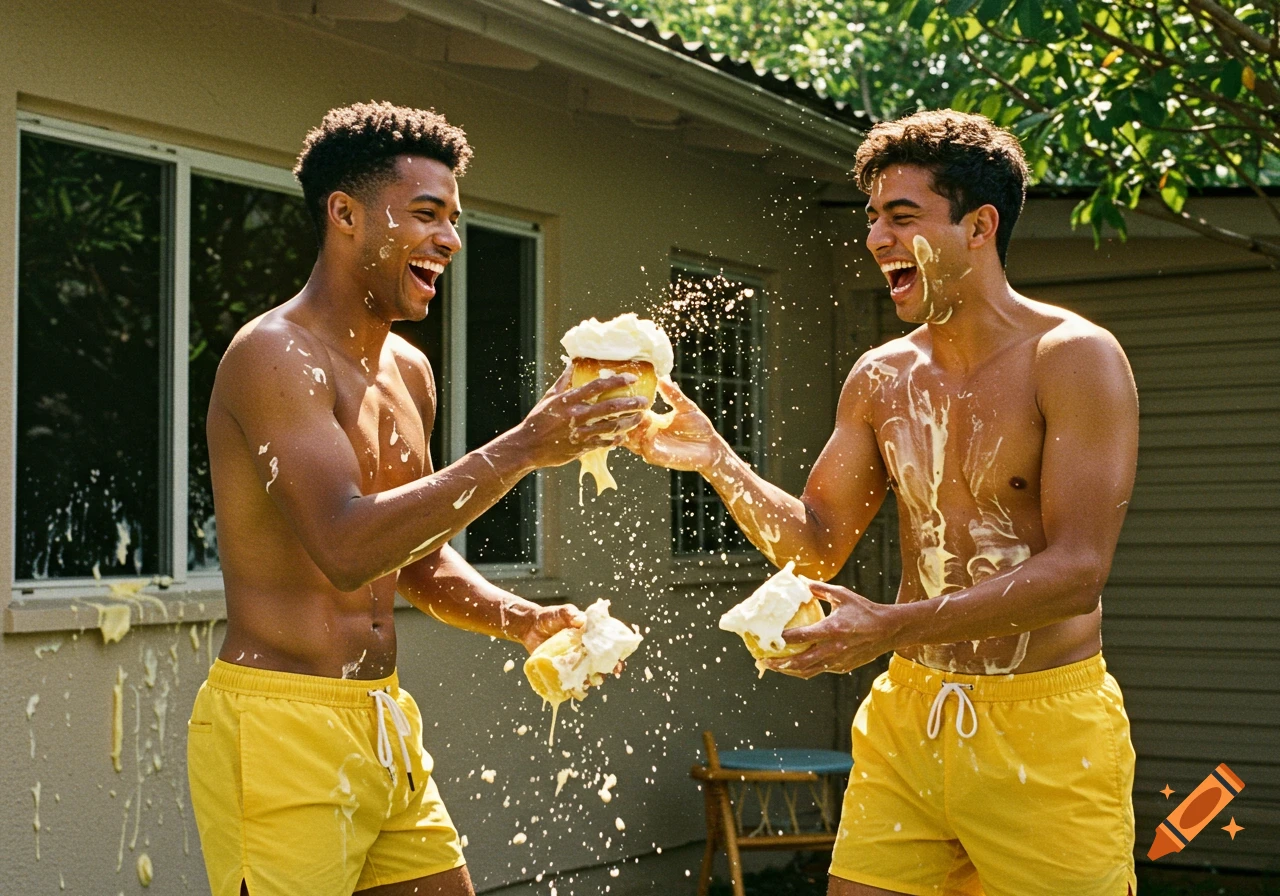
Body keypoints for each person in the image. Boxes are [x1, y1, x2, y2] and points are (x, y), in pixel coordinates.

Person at [628, 110, 1139, 895]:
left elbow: (1078, 572)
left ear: (979, 225)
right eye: (872, 218)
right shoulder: (881, 376)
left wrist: (887, 627)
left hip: (1044, 728)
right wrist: (718, 463)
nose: (876, 239)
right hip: (910, 718)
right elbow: (817, 546)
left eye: (903, 217)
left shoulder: (1071, 358)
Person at [187, 102, 648, 896]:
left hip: (383, 724)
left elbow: (418, 561)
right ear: (345, 214)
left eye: (454, 219)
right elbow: (348, 546)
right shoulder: (274, 357)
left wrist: (525, 620)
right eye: (427, 215)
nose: (451, 240)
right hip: (280, 728)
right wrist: (528, 445)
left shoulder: (409, 372)